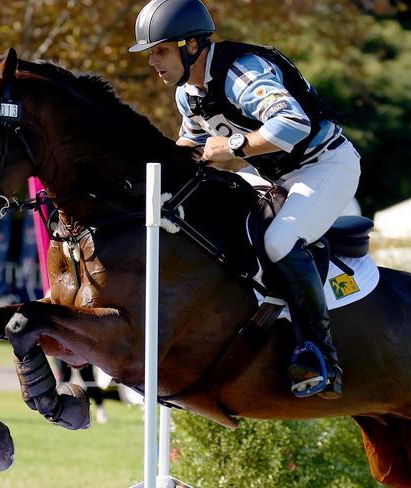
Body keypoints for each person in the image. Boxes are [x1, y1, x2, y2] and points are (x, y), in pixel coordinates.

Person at [129, 0, 362, 399]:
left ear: (191, 46)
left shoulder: (241, 73)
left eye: (161, 50)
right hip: (271, 173)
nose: (153, 61)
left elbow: (293, 123)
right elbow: (191, 147)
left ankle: (320, 355)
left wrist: (235, 146)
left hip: (324, 165)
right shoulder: (188, 94)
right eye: (152, 52)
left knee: (278, 241)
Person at [53, 359, 109, 424]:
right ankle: (57, 413)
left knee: (88, 377)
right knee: (64, 377)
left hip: (81, 351)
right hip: (61, 350)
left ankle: (101, 409)